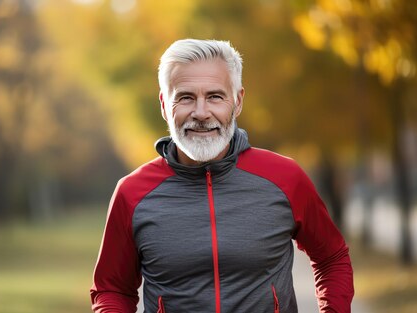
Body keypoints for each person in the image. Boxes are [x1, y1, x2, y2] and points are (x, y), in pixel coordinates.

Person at [90, 39, 354, 313]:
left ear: (237, 102)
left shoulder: (286, 178)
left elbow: (331, 257)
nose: (201, 113)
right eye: (185, 97)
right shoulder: (132, 194)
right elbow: (112, 289)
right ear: (164, 105)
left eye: (215, 96)